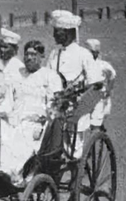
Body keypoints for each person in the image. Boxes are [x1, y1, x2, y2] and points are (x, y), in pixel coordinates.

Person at [0, 40, 63, 184]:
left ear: (41, 56)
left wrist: (46, 119)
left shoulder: (50, 76)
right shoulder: (17, 75)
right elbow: (8, 99)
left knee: (24, 135)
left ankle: (16, 174)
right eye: (26, 54)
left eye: (34, 54)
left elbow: (55, 104)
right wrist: (3, 112)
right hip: (14, 119)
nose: (29, 58)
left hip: (36, 122)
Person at [45, 9, 104, 158]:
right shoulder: (54, 54)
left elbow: (96, 84)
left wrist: (94, 116)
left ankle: (72, 175)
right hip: (54, 108)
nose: (53, 35)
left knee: (73, 152)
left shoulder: (83, 54)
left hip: (76, 110)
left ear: (69, 33)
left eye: (57, 31)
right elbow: (46, 79)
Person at [85, 38, 116, 130]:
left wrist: (108, 91)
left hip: (100, 99)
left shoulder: (103, 65)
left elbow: (112, 76)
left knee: (95, 122)